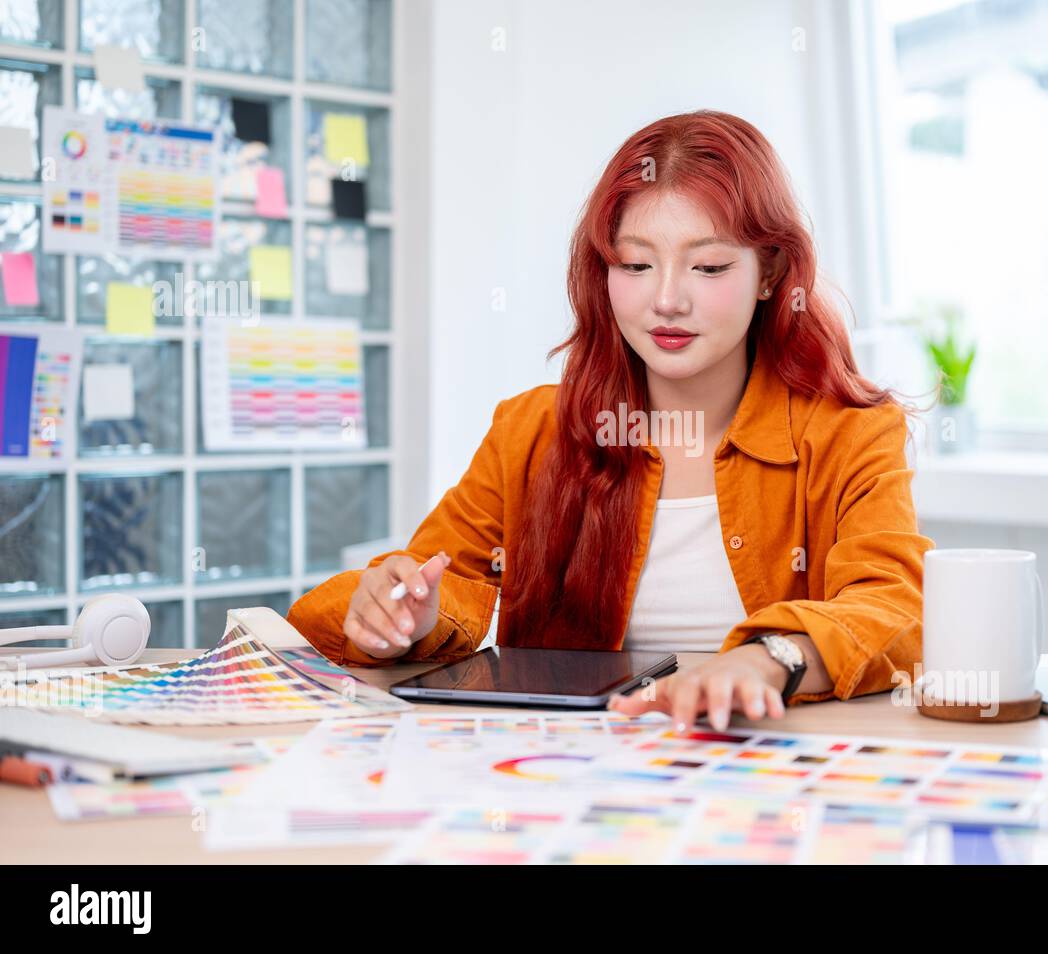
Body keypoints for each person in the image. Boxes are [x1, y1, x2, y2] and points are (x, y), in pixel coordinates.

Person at [288, 109, 932, 732]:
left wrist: (772, 659)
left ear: (769, 273)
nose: (667, 300)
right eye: (635, 264)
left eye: (707, 267)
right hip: (577, 792)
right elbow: (429, 583)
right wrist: (402, 616)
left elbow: (897, 609)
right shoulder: (532, 432)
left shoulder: (851, 433)